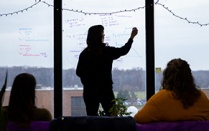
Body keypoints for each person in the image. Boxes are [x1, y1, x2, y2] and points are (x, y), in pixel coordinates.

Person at [76, 25, 138, 116]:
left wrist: (88, 82)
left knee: (91, 119)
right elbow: (123, 50)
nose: (104, 35)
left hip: (90, 91)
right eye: (102, 33)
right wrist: (131, 37)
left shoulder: (85, 54)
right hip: (106, 90)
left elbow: (78, 72)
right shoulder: (106, 51)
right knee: (112, 118)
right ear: (99, 36)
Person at [134, 58, 209, 123]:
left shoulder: (160, 99)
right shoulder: (201, 97)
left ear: (166, 76)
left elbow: (137, 119)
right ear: (189, 77)